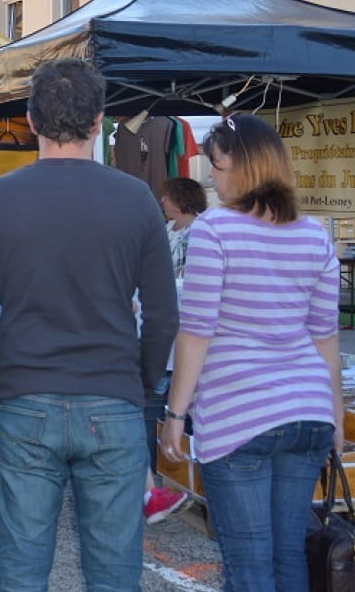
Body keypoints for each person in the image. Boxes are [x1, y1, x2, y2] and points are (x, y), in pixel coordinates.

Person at [0, 58, 177, 592]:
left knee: (22, 563)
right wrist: (142, 384)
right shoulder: (136, 199)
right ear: (100, 119)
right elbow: (163, 314)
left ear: (31, 121)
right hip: (112, 396)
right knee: (112, 568)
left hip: (25, 395)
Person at [161, 115, 341, 591]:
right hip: (308, 413)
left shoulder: (215, 229)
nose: (213, 180)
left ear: (244, 167)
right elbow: (326, 338)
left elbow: (196, 332)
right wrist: (336, 420)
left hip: (239, 415)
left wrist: (175, 413)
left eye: (217, 167)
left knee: (248, 566)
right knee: (288, 560)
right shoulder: (315, 234)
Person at [142, 175, 208, 523]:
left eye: (167, 197)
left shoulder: (200, 232)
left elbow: (188, 280)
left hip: (183, 325)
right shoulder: (169, 230)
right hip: (164, 324)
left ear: (181, 199)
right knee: (154, 406)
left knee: (177, 404)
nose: (163, 202)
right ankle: (158, 481)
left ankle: (189, 477)